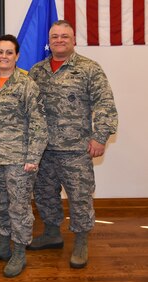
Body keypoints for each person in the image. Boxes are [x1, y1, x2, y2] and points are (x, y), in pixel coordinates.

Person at [27, 20, 118, 269]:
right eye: (54, 36)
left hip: (75, 149)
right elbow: (29, 109)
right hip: (44, 149)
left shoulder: (89, 69)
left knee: (79, 197)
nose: (59, 40)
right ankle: (52, 233)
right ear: (49, 41)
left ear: (73, 39)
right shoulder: (37, 71)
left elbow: (105, 104)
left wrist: (100, 137)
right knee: (45, 194)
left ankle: (80, 240)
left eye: (64, 36)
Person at [0, 35, 48, 277]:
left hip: (19, 160)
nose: (4, 56)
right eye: (0, 52)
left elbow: (39, 123)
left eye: (9, 52)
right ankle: (2, 246)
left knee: (18, 207)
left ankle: (19, 251)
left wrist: (33, 157)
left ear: (17, 56)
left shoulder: (26, 84)